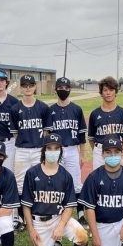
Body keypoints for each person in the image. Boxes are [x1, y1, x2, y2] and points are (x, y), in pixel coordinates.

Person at [21, 133, 91, 246]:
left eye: (56, 148)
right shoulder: (32, 173)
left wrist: (60, 226)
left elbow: (69, 206)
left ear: (60, 151)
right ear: (43, 150)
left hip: (59, 219)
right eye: (49, 148)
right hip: (38, 222)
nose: (52, 151)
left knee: (82, 236)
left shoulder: (66, 176)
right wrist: (31, 230)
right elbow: (26, 204)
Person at [9, 74, 53, 229]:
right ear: (21, 88)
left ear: (35, 87)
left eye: (30, 85)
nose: (28, 88)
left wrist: (40, 147)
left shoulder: (43, 107)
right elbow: (15, 133)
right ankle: (20, 216)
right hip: (21, 149)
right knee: (20, 183)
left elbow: (47, 132)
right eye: (25, 85)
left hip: (38, 149)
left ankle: (39, 212)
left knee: (40, 181)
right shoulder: (15, 109)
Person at [50, 77, 88, 227]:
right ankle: (56, 212)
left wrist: (82, 154)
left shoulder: (77, 109)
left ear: (70, 89)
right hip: (55, 150)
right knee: (56, 182)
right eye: (61, 87)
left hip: (72, 149)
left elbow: (81, 135)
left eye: (66, 87)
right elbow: (47, 134)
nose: (63, 90)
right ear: (56, 89)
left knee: (76, 183)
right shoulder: (50, 110)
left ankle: (80, 213)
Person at [88, 76, 123, 170]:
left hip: (117, 150)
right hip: (100, 151)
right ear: (101, 93)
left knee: (120, 181)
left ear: (115, 92)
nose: (108, 93)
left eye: (111, 90)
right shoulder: (95, 114)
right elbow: (91, 138)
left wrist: (121, 152)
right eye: (105, 90)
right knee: (98, 180)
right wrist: (98, 151)